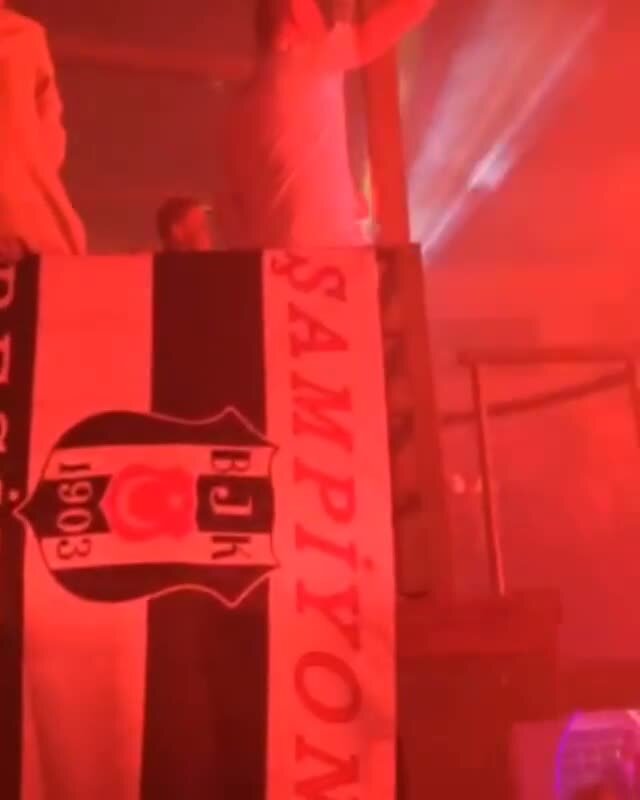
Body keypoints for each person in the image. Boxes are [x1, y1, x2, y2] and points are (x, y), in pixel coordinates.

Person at [214, 0, 437, 249]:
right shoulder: (310, 56)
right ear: (294, 10)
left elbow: (238, 208)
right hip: (333, 255)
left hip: (276, 263)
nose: (324, 21)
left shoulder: (237, 111)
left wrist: (344, 200)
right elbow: (405, 13)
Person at [0, 2, 86, 255]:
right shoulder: (25, 36)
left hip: (22, 184)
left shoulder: (26, 36)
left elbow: (48, 113)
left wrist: (37, 167)